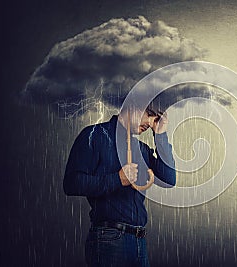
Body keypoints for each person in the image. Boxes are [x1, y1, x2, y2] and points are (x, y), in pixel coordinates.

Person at [63, 105, 176, 267]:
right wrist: (117, 179)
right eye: (150, 114)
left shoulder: (141, 149)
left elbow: (169, 178)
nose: (151, 122)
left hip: (139, 241)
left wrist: (160, 135)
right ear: (133, 105)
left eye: (155, 118)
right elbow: (71, 183)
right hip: (109, 239)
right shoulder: (94, 135)